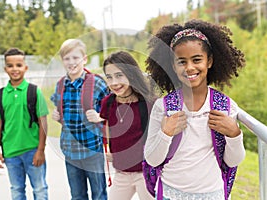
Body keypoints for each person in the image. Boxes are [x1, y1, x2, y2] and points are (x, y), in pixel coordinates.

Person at [144, 19, 246, 200]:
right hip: (170, 193)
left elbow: (233, 161)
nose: (189, 67)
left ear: (209, 61)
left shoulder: (225, 106)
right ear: (173, 66)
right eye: (181, 61)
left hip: (212, 194)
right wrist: (166, 133)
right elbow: (152, 159)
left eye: (197, 59)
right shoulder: (163, 107)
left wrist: (234, 134)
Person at [50, 39, 109, 200]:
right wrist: (58, 116)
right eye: (67, 58)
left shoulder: (96, 83)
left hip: (92, 150)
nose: (71, 62)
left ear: (84, 59)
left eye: (75, 58)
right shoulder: (61, 84)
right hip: (70, 151)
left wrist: (99, 117)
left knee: (99, 194)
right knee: (77, 195)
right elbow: (64, 113)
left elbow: (113, 112)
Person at [95, 51, 155, 200]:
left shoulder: (148, 104)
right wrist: (111, 149)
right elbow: (108, 128)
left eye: (119, 75)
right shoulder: (107, 103)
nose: (114, 82)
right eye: (109, 77)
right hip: (121, 174)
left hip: (145, 173)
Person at [0, 47, 49, 200]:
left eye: (18, 65)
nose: (14, 69)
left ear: (25, 67)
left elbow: (43, 121)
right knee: (17, 190)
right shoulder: (0, 95)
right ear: (5, 69)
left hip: (32, 150)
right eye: (10, 66)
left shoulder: (34, 91)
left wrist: (41, 150)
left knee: (40, 189)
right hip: (10, 153)